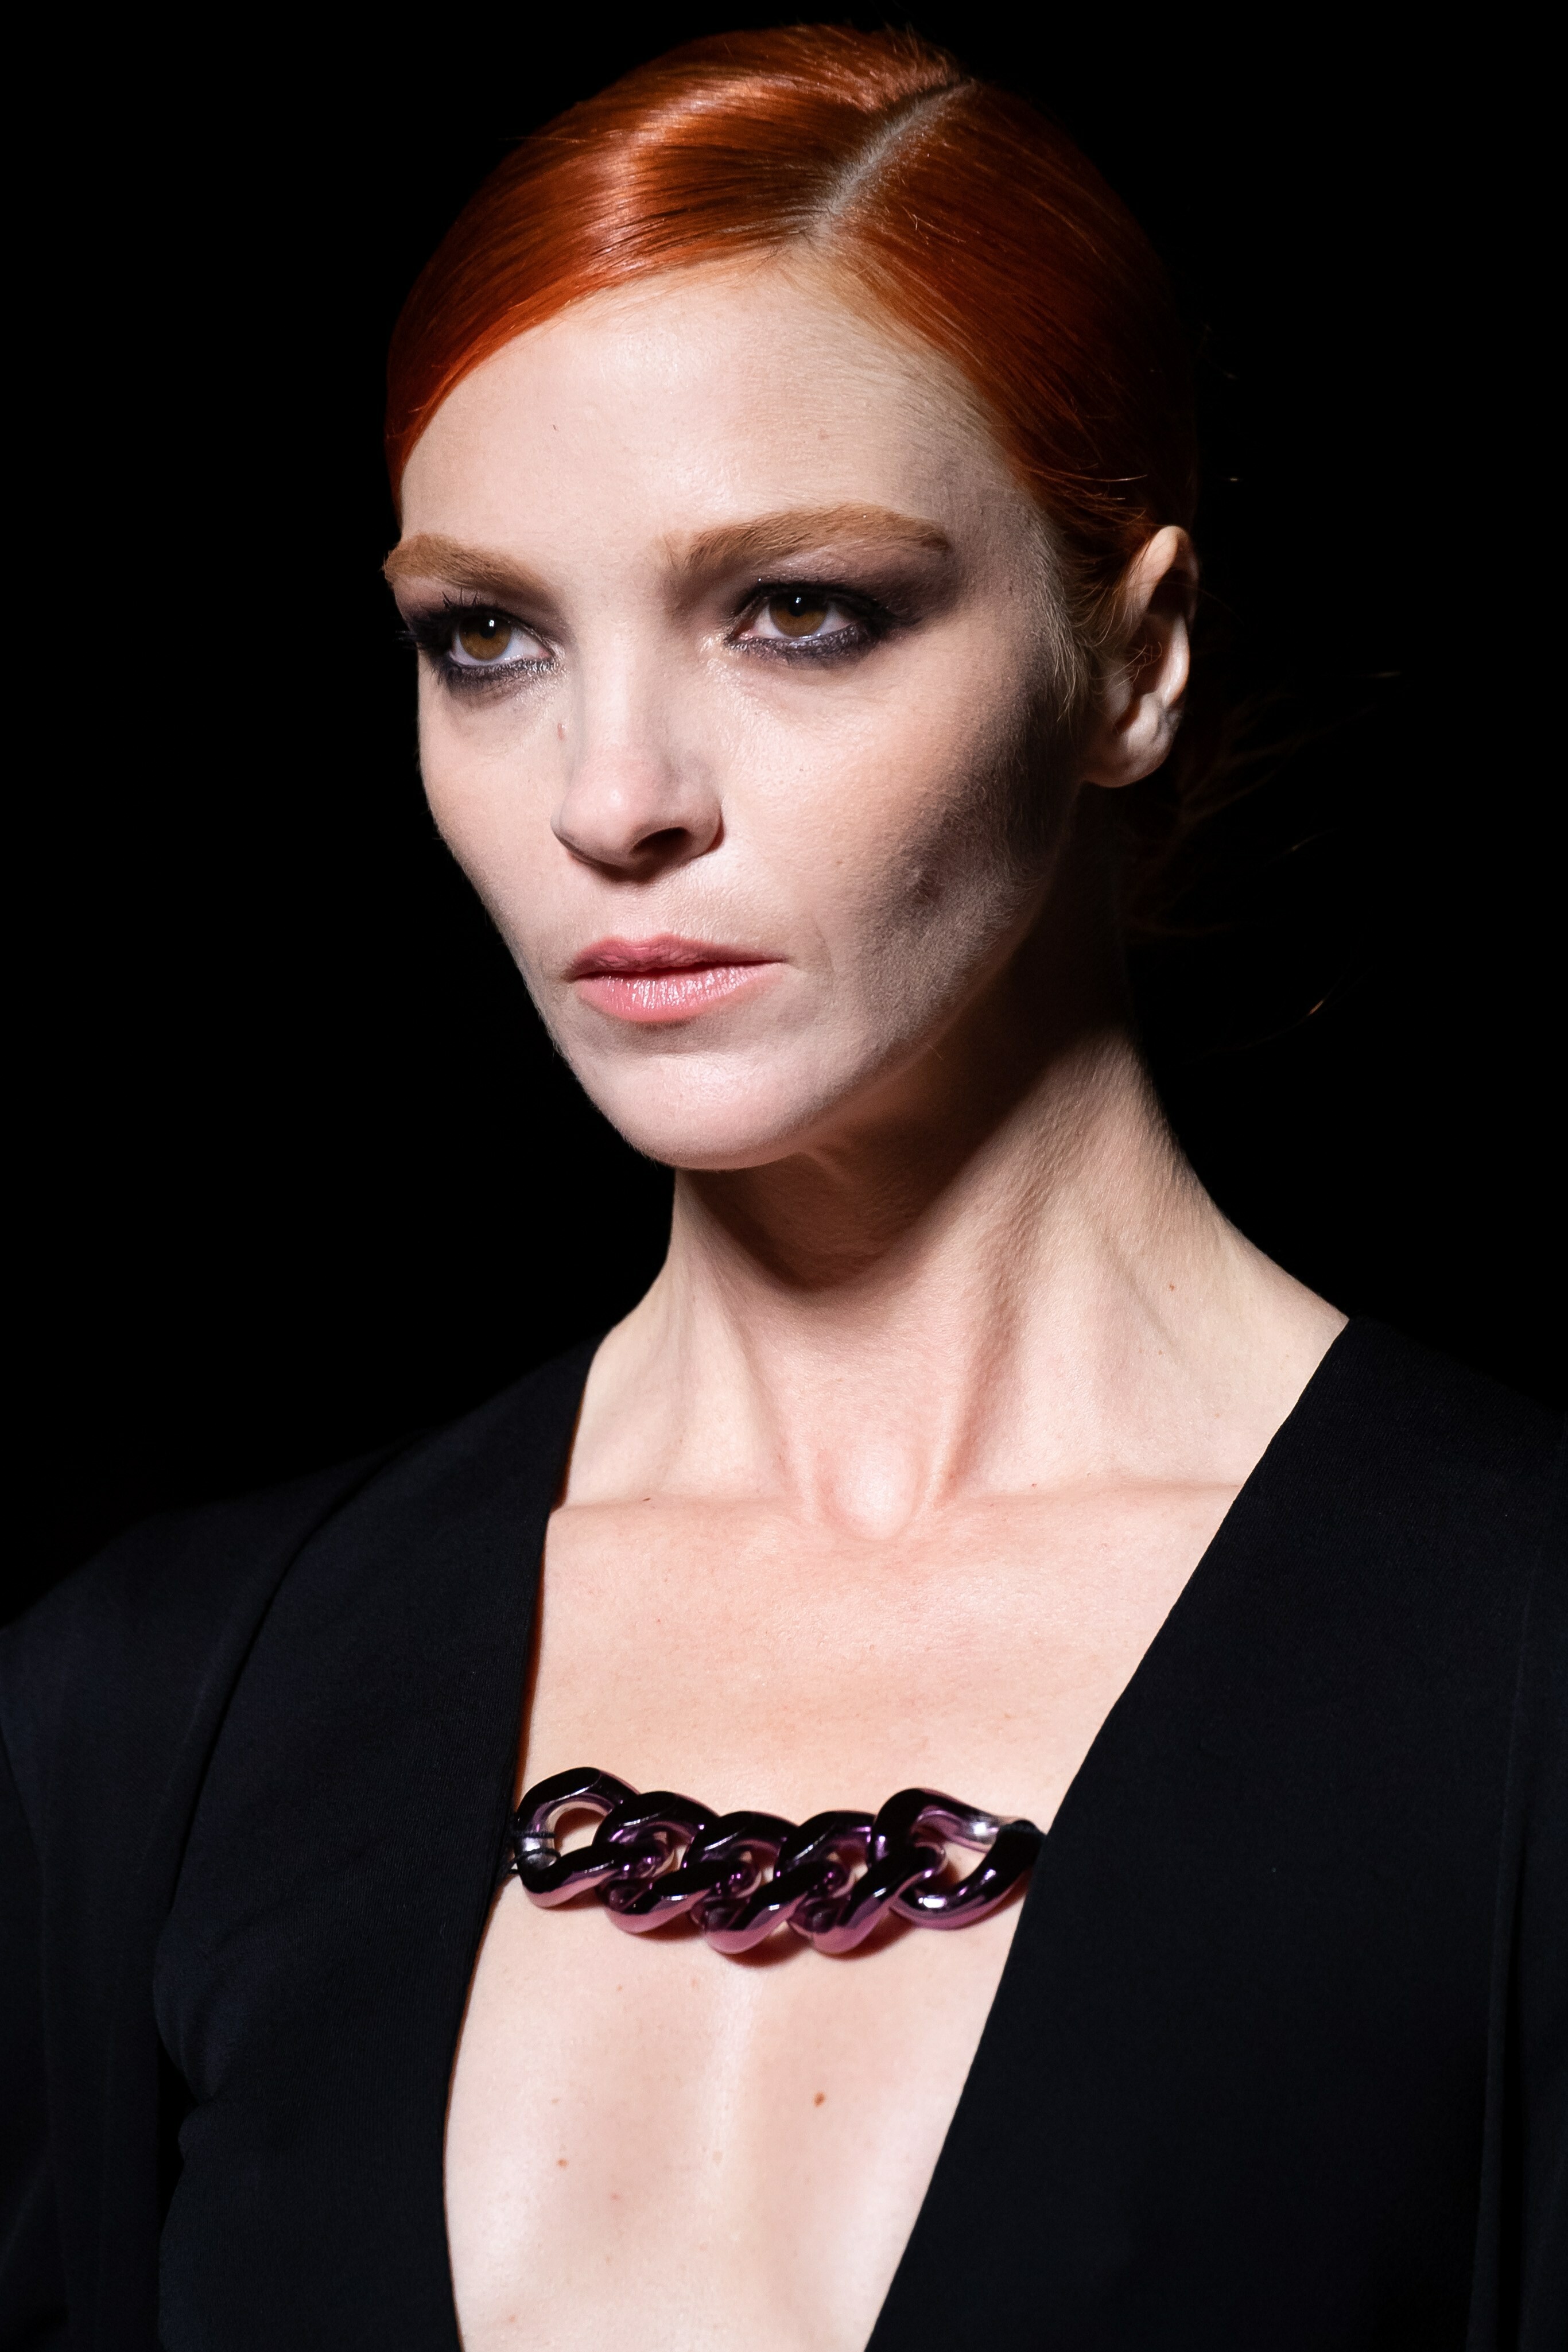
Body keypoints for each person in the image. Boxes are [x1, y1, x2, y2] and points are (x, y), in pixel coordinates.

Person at [2, 28, 1562, 2352]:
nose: (609, 795)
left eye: (797, 608)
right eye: (487, 637)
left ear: (1128, 659)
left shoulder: (1523, 1675)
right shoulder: (154, 1702)